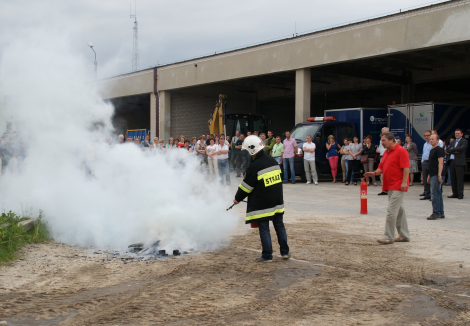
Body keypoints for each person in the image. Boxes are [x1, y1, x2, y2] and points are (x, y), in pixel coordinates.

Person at [232, 135, 290, 263]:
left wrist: (237, 198)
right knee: (279, 225)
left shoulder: (255, 165)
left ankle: (267, 256)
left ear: (252, 150)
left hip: (264, 203)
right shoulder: (272, 161)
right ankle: (285, 252)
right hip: (277, 200)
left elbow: (247, 186)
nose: (247, 153)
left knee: (264, 227)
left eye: (247, 150)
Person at [364, 132, 410, 245]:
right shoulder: (386, 153)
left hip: (398, 185)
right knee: (399, 211)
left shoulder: (401, 151)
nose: (382, 143)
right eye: (381, 141)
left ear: (391, 140)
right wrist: (374, 173)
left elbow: (406, 168)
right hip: (390, 185)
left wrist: (404, 182)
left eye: (384, 141)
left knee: (391, 211)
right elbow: (381, 168)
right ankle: (404, 235)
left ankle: (388, 236)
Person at [427, 134, 445, 220]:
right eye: (430, 139)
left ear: (437, 140)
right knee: (438, 194)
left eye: (433, 139)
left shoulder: (439, 150)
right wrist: (429, 175)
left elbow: (440, 163)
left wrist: (439, 174)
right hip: (432, 174)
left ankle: (436, 212)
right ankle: (441, 212)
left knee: (434, 194)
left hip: (436, 175)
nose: (431, 140)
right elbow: (431, 164)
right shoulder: (431, 150)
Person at [446, 128, 468, 199]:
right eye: (456, 133)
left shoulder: (464, 141)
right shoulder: (452, 142)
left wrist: (453, 149)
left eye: (458, 133)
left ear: (461, 134)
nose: (457, 135)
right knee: (453, 178)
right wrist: (455, 150)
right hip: (452, 161)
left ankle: (460, 194)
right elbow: (448, 149)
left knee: (459, 179)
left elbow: (462, 149)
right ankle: (454, 193)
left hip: (460, 162)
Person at [376, 127, 392, 195]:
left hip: (389, 157)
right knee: (382, 174)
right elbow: (380, 148)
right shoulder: (381, 140)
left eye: (384, 132)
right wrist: (378, 150)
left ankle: (388, 189)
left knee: (387, 173)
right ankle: (384, 189)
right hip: (383, 156)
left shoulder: (392, 140)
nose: (382, 134)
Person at [420, 130, 432, 201]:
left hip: (430, 162)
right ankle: (426, 193)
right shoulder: (425, 144)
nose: (426, 137)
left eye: (428, 135)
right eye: (425, 135)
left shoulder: (432, 143)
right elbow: (424, 153)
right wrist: (422, 162)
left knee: (431, 179)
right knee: (425, 179)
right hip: (424, 162)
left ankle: (432, 194)